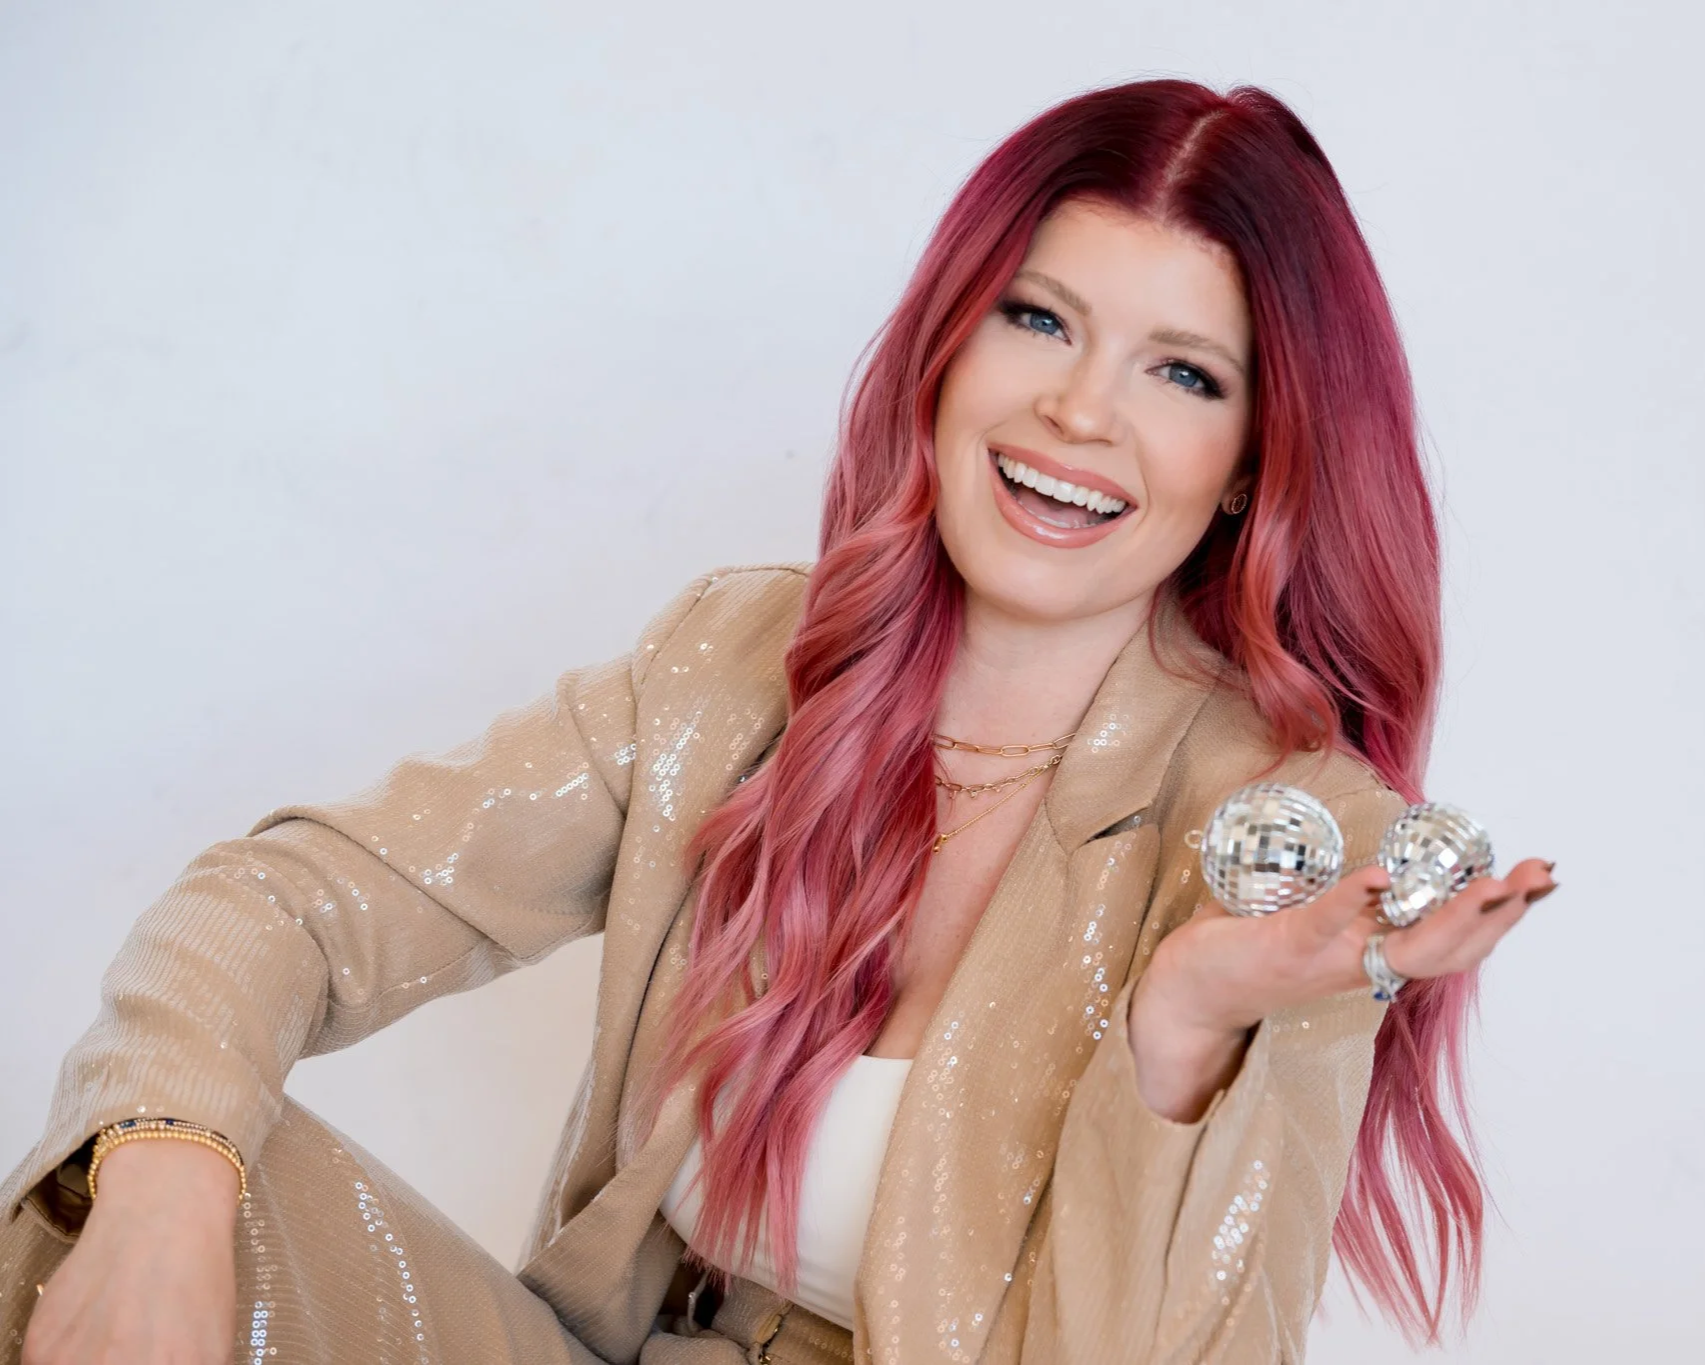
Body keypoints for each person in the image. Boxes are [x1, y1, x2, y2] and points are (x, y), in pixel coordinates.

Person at [1, 78, 1554, 1365]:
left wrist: (1184, 1034)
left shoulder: (1291, 853)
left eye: (1180, 371)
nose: (1079, 412)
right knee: (134, 1170)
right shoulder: (736, 666)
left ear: (1248, 465)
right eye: (1036, 318)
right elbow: (288, 903)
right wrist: (160, 1201)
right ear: (948, 343)